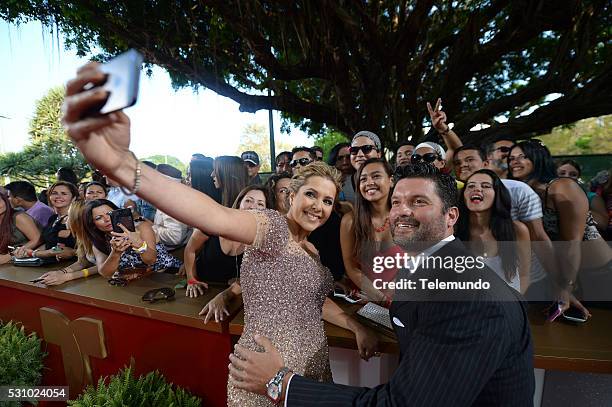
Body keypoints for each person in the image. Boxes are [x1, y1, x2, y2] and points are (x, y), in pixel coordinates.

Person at [62, 68, 379, 405]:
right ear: (291, 196)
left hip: (309, 379)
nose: (319, 207)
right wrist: (124, 165)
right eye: (311, 195)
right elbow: (213, 215)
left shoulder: (312, 250)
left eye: (328, 200)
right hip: (262, 379)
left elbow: (313, 302)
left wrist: (356, 325)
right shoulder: (271, 227)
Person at [229, 163, 535, 406]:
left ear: (451, 215)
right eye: (397, 202)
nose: (403, 210)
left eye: (419, 202)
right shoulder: (425, 267)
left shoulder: (468, 298)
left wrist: (280, 383)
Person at [509, 141, 612, 305]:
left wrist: (566, 286)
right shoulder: (523, 193)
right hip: (567, 272)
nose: (514, 161)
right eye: (511, 158)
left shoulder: (562, 187)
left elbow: (572, 242)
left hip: (600, 272)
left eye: (522, 156)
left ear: (538, 158)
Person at [185, 185, 269, 298]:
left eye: (260, 204)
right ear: (239, 203)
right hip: (201, 290)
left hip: (233, 296)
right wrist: (192, 279)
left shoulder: (265, 239)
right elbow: (191, 249)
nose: (253, 207)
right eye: (248, 200)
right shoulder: (216, 222)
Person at [457, 169, 531, 293]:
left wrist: (514, 304)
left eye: (485, 186)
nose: (477, 189)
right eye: (470, 186)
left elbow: (524, 275)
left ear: (497, 194)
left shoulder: (517, 230)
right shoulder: (452, 230)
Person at [340, 158, 394, 302]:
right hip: (364, 298)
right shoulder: (349, 221)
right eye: (363, 179)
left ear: (391, 180)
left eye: (376, 176)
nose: (369, 182)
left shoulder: (405, 217)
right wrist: (381, 299)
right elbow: (351, 267)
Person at [83, 199, 182, 278]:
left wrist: (139, 245)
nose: (107, 219)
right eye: (98, 218)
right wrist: (116, 253)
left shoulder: (141, 227)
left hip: (170, 274)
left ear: (119, 212)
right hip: (140, 283)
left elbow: (151, 260)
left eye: (109, 213)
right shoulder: (100, 241)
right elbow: (105, 273)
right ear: (93, 224)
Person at [39, 200, 99, 285]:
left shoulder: (97, 237)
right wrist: (61, 272)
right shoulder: (82, 236)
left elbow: (100, 266)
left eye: (68, 216)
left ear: (77, 219)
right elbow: (82, 262)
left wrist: (68, 277)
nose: (66, 219)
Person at [556, 159, 608, 232]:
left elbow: (603, 224)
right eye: (562, 173)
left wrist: (576, 203)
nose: (567, 177)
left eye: (573, 174)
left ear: (578, 178)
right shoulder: (547, 196)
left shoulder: (591, 197)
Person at [152, 164, 192, 250]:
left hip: (172, 253)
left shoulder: (172, 200)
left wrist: (150, 230)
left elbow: (175, 236)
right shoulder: (169, 196)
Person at [0, 192, 41, 265]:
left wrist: (11, 255)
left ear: (4, 200)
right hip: (10, 261)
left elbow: (37, 239)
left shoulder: (19, 217)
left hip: (31, 259)